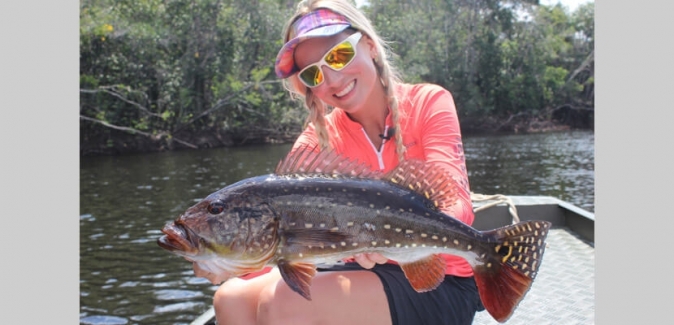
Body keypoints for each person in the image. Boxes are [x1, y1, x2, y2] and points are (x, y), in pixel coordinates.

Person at [191, 0, 484, 324]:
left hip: (440, 278)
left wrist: (397, 239)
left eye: (339, 55)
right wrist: (231, 262)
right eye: (314, 73)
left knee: (284, 305)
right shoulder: (318, 138)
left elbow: (457, 202)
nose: (331, 78)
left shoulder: (430, 101)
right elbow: (285, 234)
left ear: (369, 45)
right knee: (230, 299)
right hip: (357, 269)